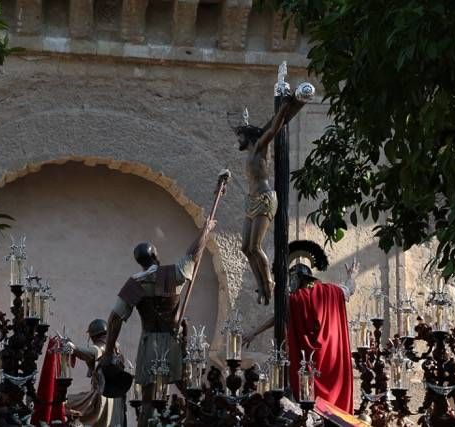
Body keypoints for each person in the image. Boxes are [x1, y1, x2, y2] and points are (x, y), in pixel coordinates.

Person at [100, 218, 216, 427]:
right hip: (174, 342)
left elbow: (115, 319)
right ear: (155, 255)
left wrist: (108, 354)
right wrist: (205, 232)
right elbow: (193, 254)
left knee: (147, 402)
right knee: (190, 393)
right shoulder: (173, 273)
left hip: (149, 345)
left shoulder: (135, 283)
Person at [243, 240, 357, 413]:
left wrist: (254, 332)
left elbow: (278, 317)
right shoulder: (331, 292)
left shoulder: (295, 300)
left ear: (297, 279)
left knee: (306, 407)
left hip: (307, 368)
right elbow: (349, 289)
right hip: (331, 366)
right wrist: (352, 276)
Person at [233, 101, 293, 306]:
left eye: (240, 136)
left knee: (256, 246)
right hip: (251, 202)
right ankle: (260, 285)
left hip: (265, 199)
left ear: (248, 137)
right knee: (245, 248)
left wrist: (284, 108)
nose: (238, 140)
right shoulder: (249, 154)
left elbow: (274, 128)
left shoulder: (260, 146)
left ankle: (269, 280)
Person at [67, 319, 126, 427]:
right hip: (117, 397)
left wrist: (74, 348)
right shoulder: (116, 348)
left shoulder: (103, 346)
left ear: (93, 336)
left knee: (65, 403)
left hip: (103, 398)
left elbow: (91, 352)